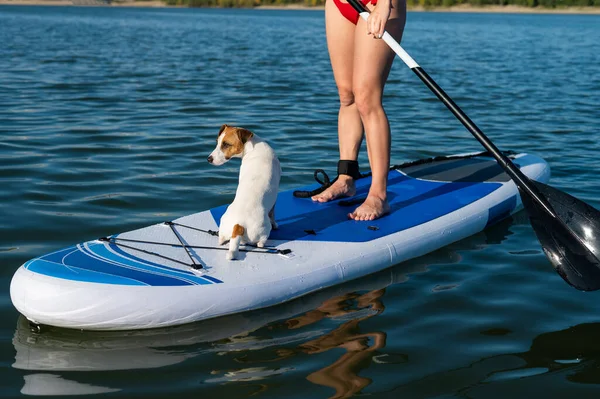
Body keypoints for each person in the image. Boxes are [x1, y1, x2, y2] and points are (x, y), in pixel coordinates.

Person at [311, 0, 407, 221]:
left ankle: (379, 195)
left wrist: (384, 4)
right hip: (338, 4)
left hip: (380, 3)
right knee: (347, 95)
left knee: (366, 99)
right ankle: (346, 178)